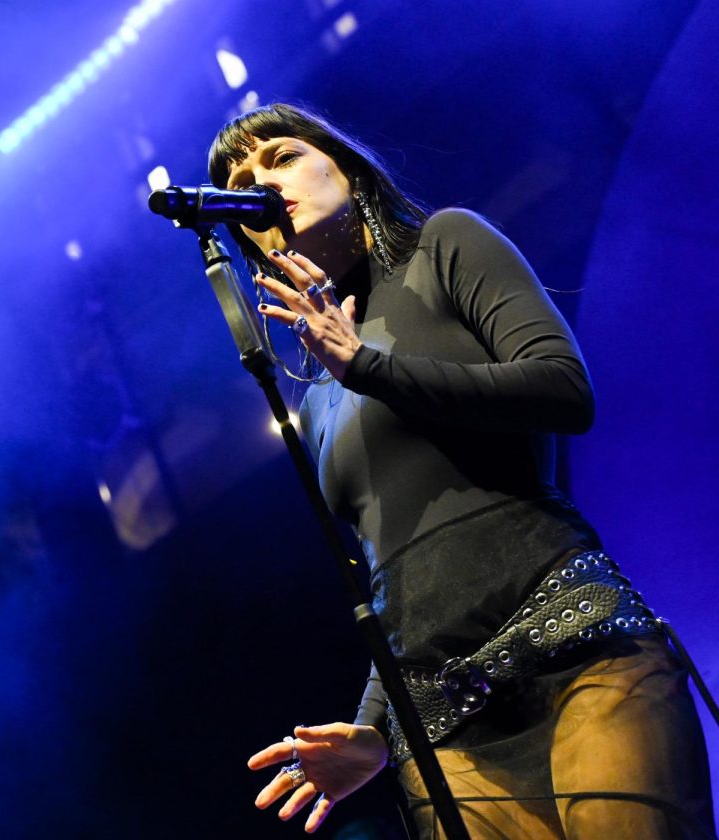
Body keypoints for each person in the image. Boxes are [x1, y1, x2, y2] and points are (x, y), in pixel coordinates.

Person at [206, 103, 716, 838]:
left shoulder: (445, 245)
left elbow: (564, 391)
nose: (257, 183)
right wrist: (374, 734)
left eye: (279, 158)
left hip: (577, 653)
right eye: (238, 180)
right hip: (445, 732)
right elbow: (394, 579)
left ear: (344, 168)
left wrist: (369, 367)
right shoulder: (314, 395)